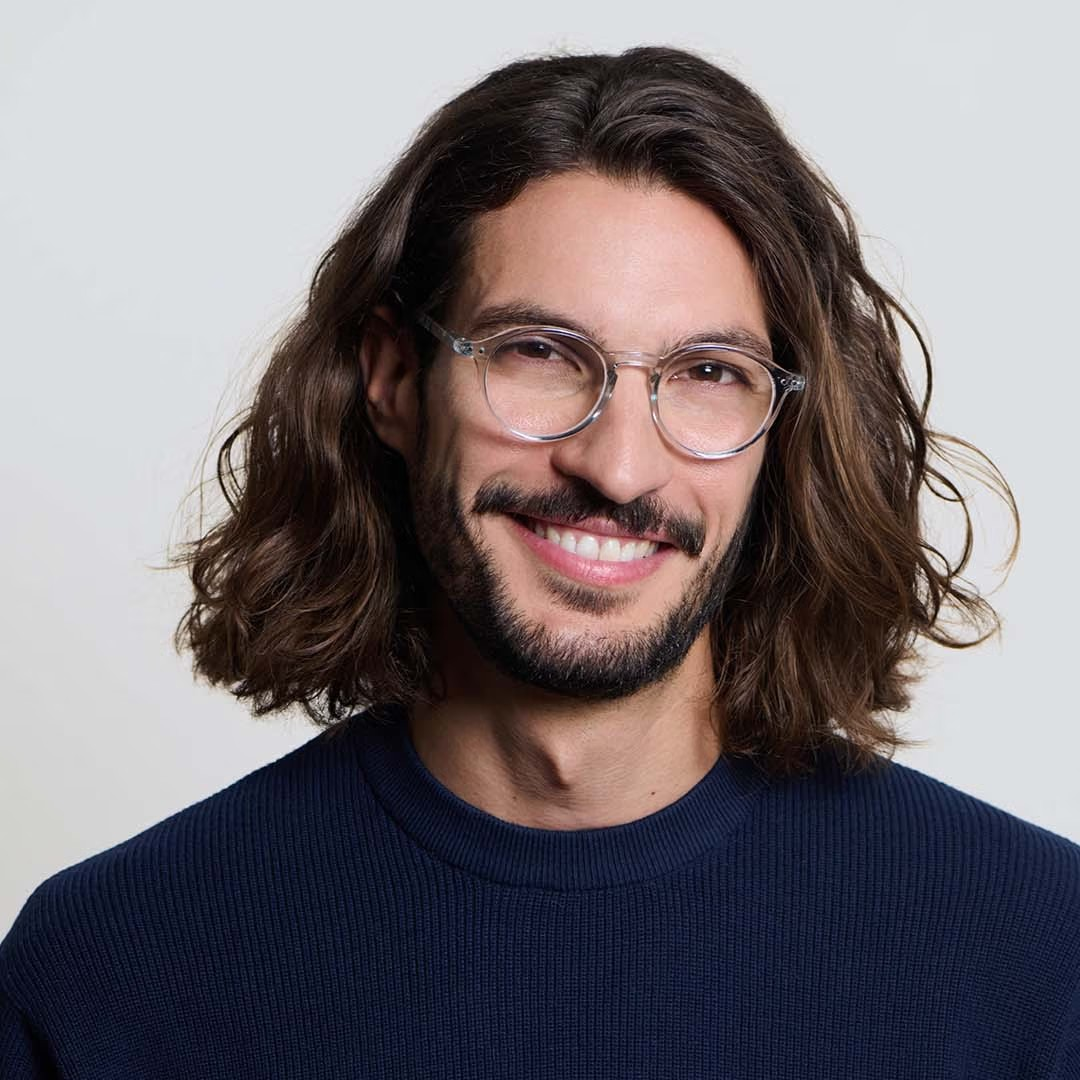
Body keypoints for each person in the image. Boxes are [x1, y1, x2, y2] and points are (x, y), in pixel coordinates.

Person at [2, 44, 1077, 1079]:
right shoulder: (111, 973)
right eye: (539, 354)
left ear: (781, 432)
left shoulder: (1039, 961)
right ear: (393, 381)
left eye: (708, 372)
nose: (617, 465)